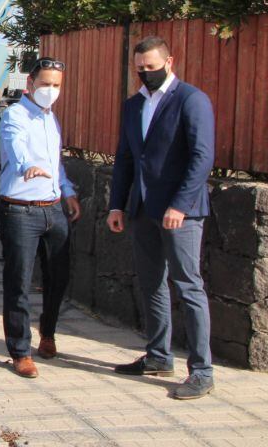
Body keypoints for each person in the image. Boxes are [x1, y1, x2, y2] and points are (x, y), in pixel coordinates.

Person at [108, 36, 215, 400]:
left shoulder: (191, 100)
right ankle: (158, 356)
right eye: (140, 68)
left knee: (188, 286)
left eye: (152, 67)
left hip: (180, 214)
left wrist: (180, 205)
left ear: (170, 61)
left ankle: (201, 371)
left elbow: (202, 157)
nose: (145, 73)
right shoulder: (133, 105)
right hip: (141, 211)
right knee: (152, 284)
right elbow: (125, 158)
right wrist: (116, 205)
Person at [0, 57, 81, 379]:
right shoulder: (14, 115)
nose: (50, 90)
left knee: (57, 278)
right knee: (18, 281)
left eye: (56, 85)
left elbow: (54, 162)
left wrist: (68, 191)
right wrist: (25, 166)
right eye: (45, 84)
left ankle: (48, 334)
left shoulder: (51, 119)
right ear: (30, 83)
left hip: (54, 209)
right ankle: (20, 351)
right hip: (20, 209)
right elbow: (14, 145)